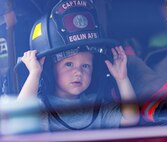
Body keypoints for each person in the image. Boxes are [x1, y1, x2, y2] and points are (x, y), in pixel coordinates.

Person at [17, 0, 139, 132]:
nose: (78, 72)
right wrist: (35, 73)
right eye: (69, 64)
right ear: (50, 70)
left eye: (86, 66)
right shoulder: (44, 107)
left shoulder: (96, 105)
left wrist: (122, 79)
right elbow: (20, 120)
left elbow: (130, 119)